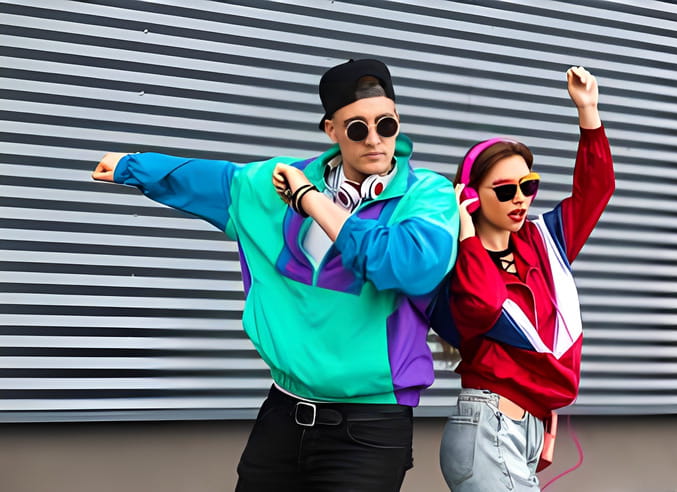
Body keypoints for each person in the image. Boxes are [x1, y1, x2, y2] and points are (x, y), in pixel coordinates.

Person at [91, 58, 459, 492]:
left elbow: (410, 266)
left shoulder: (426, 194)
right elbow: (218, 180)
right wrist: (134, 166)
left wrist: (312, 200)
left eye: (387, 125)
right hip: (282, 415)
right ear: (332, 131)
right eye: (358, 128)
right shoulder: (278, 179)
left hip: (369, 426)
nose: (376, 140)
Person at [430, 66, 615, 492]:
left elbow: (596, 189)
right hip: (490, 427)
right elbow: (487, 304)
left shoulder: (543, 239)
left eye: (528, 187)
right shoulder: (460, 261)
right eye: (504, 190)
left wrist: (589, 112)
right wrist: (467, 235)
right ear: (472, 195)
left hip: (524, 429)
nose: (520, 200)